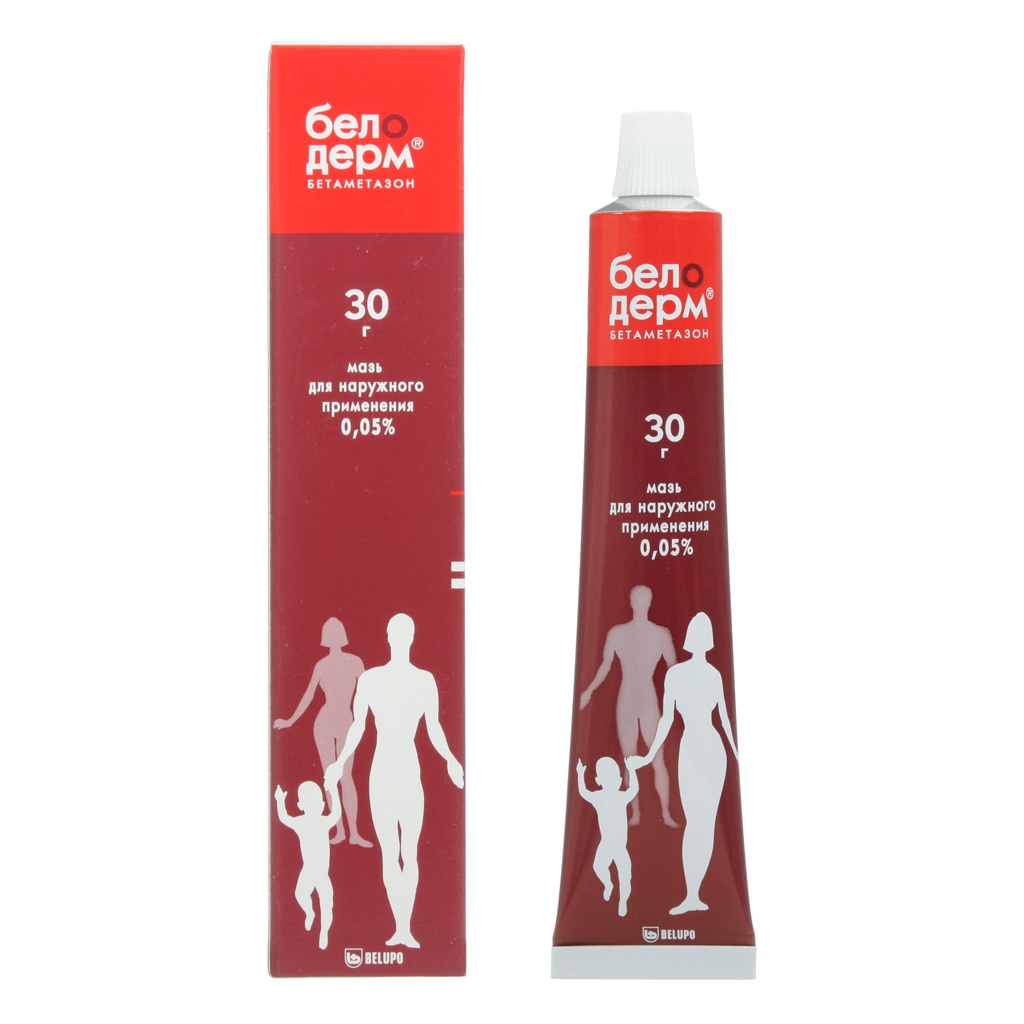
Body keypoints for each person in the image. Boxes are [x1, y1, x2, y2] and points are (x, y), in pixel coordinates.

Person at [325, 613, 464, 948]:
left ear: (411, 637)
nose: (400, 637)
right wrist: (340, 763)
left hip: (408, 772)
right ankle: (400, 927)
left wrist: (450, 758)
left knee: (409, 851)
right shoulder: (371, 679)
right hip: (383, 772)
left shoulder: (424, 680)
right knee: (391, 852)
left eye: (405, 632)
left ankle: (406, 928)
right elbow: (358, 726)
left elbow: (434, 727)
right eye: (396, 632)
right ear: (388, 636)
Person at [627, 611, 739, 915]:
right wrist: (649, 755)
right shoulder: (684, 675)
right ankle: (691, 895)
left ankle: (695, 895)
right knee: (697, 823)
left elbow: (724, 720)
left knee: (704, 822)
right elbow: (668, 720)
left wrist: (737, 757)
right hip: (697, 749)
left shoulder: (706, 675)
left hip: (709, 750)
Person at [579, 585, 680, 826]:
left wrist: (685, 698)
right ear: (633, 602)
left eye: (644, 598)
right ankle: (635, 814)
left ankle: (665, 813)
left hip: (647, 698)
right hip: (627, 699)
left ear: (649, 602)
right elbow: (606, 666)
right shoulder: (617, 633)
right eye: (637, 598)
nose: (641, 602)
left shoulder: (660, 634)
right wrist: (589, 690)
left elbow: (674, 670)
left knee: (657, 758)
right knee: (629, 759)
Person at [274, 617, 372, 847]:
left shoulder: (355, 662)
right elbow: (309, 695)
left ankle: (354, 833)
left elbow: (368, 693)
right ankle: (339, 830)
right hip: (325, 723)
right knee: (330, 778)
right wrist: (290, 721)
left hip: (346, 721)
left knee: (346, 777)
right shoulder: (322, 665)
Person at [274, 781, 341, 949]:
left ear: (322, 805)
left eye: (316, 802)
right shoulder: (300, 822)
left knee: (327, 905)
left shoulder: (324, 821)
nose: (313, 806)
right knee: (300, 894)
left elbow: (336, 813)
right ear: (301, 806)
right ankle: (310, 912)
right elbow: (284, 818)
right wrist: (280, 800)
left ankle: (324, 932)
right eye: (308, 803)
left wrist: (334, 792)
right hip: (308, 871)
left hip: (322, 874)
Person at [576, 756, 639, 917]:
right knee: (598, 867)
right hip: (605, 845)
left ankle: (623, 901)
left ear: (619, 780)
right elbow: (583, 792)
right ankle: (608, 884)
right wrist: (580, 774)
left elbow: (633, 789)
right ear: (599, 781)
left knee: (625, 876)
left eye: (615, 777)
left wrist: (632, 770)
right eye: (607, 778)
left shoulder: (621, 796)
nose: (612, 782)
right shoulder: (598, 797)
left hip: (620, 846)